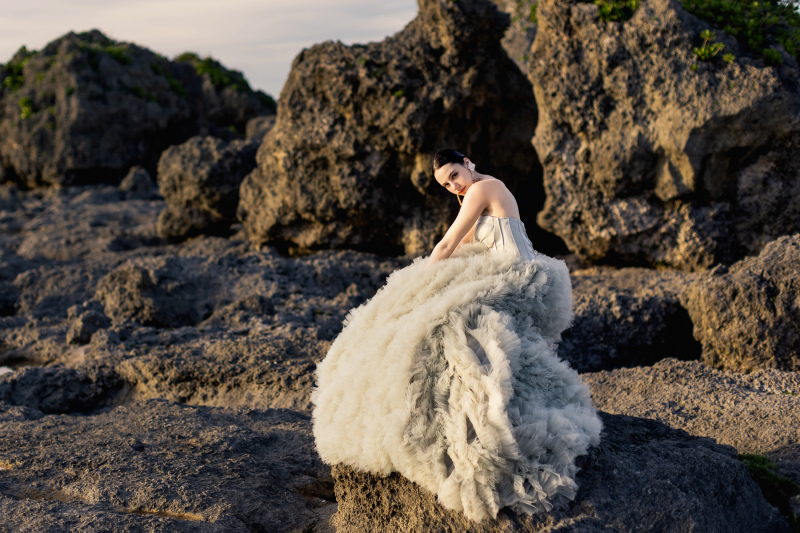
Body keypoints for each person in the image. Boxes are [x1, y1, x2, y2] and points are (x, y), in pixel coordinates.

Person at [312, 149, 602, 522]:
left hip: (517, 272)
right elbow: (465, 246)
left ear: (467, 161)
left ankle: (486, 423)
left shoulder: (485, 188)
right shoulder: (473, 194)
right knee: (441, 320)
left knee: (448, 320)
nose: (453, 186)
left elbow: (448, 244)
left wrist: (417, 282)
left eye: (453, 174)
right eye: (445, 184)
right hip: (500, 265)